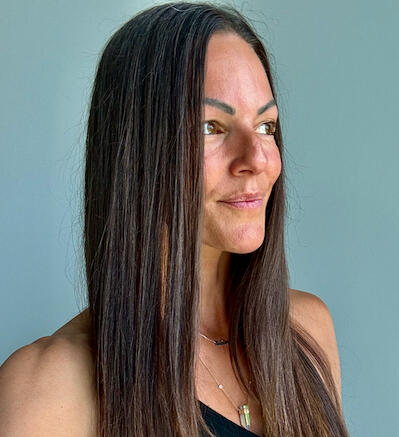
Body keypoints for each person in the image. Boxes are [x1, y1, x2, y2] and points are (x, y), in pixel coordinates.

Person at [0, 2, 349, 436]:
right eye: (211, 127)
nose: (257, 159)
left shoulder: (306, 333)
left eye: (266, 126)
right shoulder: (50, 389)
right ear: (137, 153)